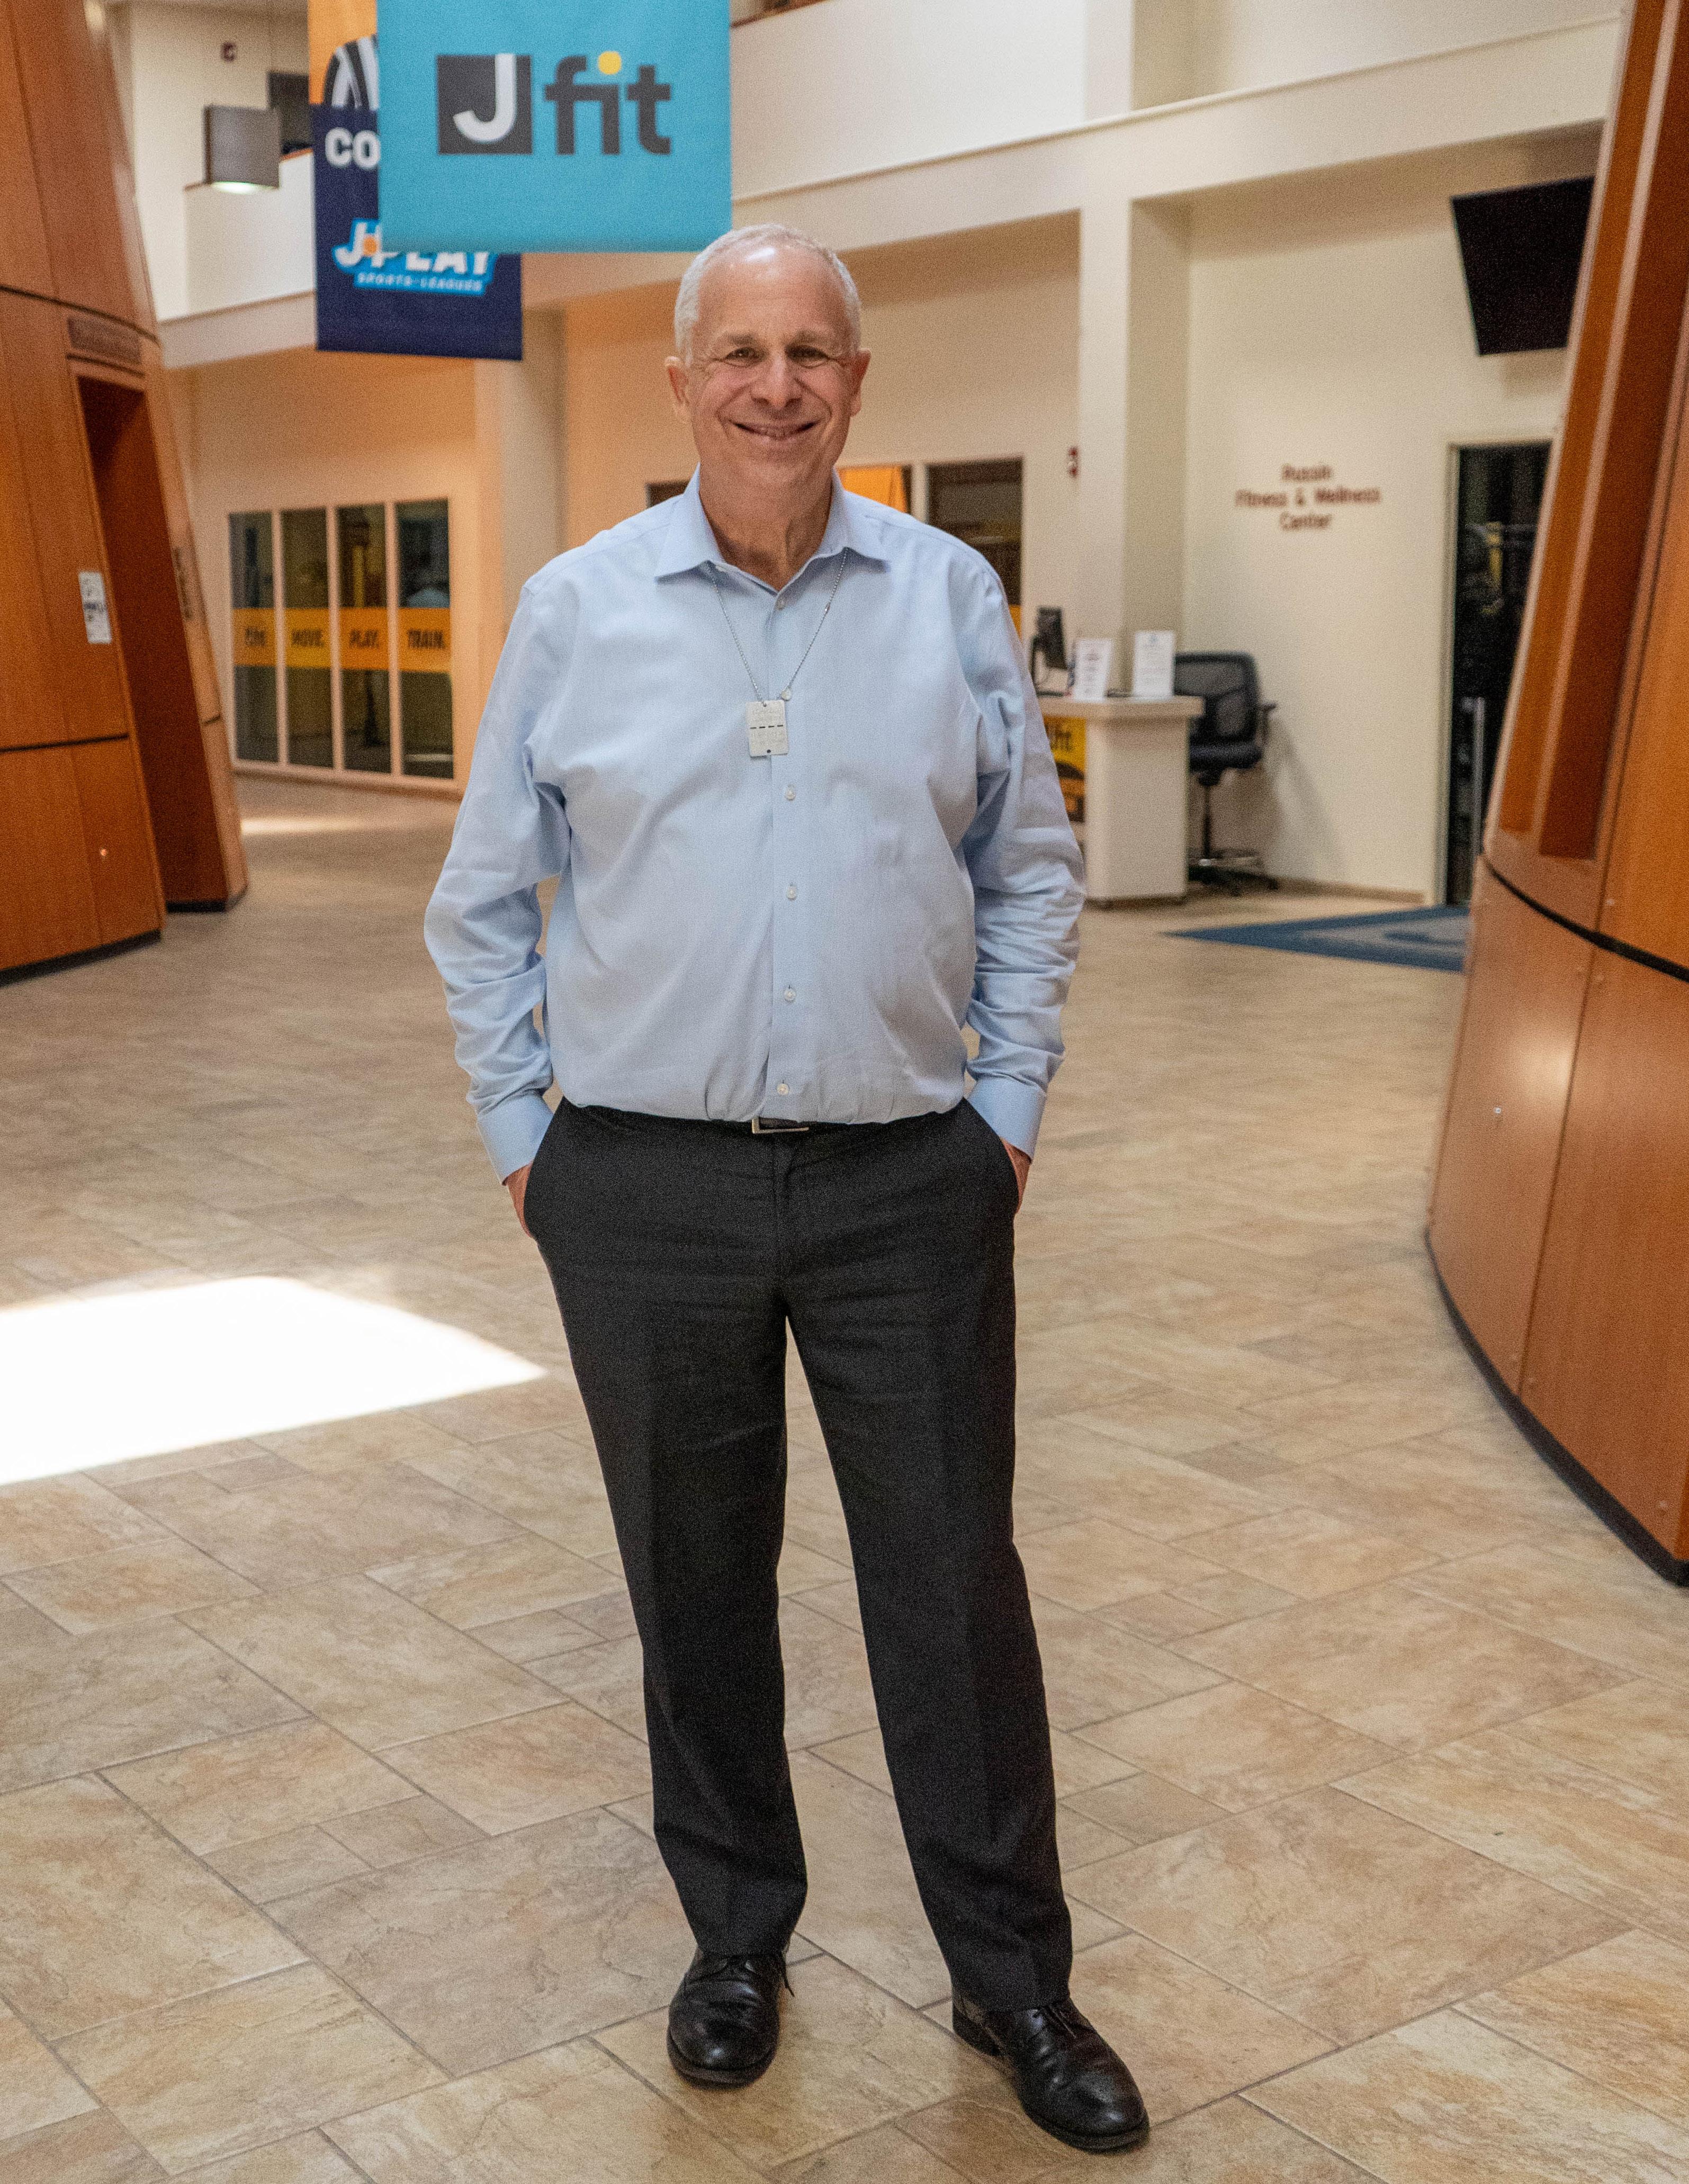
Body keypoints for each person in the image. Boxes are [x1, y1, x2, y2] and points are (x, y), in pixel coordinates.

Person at [424, 222, 1148, 2158]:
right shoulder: (579, 609)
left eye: (809, 351)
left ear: (855, 381)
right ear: (681, 382)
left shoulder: (946, 595)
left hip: (910, 1183)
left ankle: (1012, 1978)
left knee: (952, 1586)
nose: (774, 385)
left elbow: (1029, 869)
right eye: (738, 351)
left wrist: (1003, 1113)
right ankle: (737, 1939)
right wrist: (529, 1143)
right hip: (641, 1187)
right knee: (695, 1580)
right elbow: (483, 899)